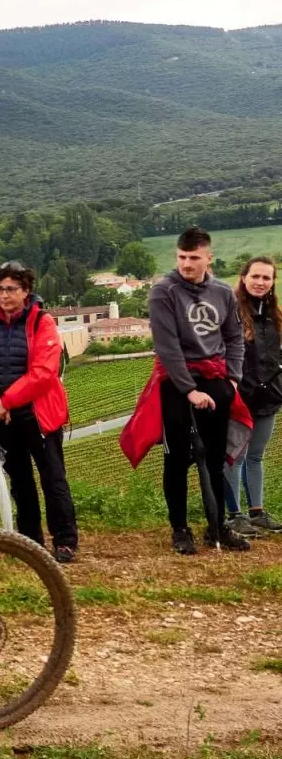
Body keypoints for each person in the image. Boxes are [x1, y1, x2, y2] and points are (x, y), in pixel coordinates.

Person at [123, 227, 250, 555]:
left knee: (216, 457)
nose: (187, 264)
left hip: (216, 378)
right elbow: (167, 347)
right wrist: (189, 390)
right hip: (175, 382)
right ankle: (180, 529)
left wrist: (232, 380)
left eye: (194, 258)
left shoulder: (223, 292)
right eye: (182, 257)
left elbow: (234, 337)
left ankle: (217, 525)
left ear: (209, 257)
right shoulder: (163, 292)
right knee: (177, 458)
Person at [0, 262, 79, 563]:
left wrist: (7, 401)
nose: (5, 295)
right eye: (0, 289)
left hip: (37, 415)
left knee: (53, 477)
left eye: (11, 289)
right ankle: (31, 540)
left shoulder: (43, 322)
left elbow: (44, 372)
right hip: (2, 417)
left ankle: (65, 540)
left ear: (26, 291)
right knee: (20, 480)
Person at [225, 256, 281, 536]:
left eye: (266, 278)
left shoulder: (275, 316)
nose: (260, 282)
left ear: (272, 283)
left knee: (256, 457)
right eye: (255, 276)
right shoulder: (231, 311)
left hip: (268, 397)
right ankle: (234, 515)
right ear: (244, 277)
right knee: (234, 456)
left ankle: (256, 513)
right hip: (239, 398)